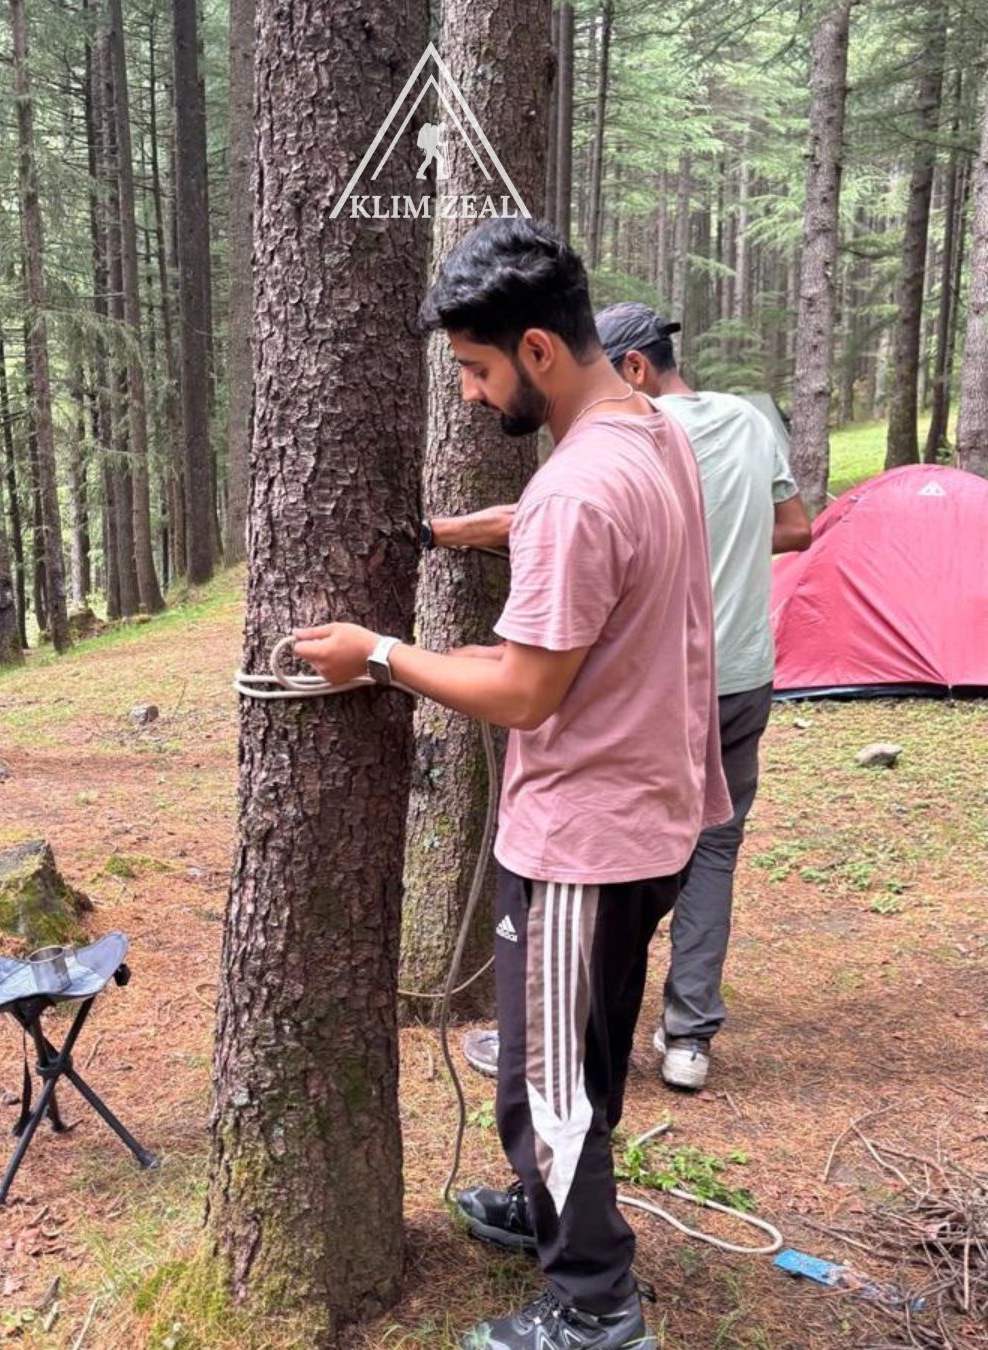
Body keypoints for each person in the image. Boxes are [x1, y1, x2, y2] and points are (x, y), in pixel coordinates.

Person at [294, 219, 730, 1350]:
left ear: (537, 348)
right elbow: (582, 549)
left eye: (478, 370)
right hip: (649, 807)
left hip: (589, 829)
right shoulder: (648, 429)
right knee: (573, 1053)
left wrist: (379, 655)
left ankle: (595, 1304)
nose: (473, 396)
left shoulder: (578, 488)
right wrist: (477, 531)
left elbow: (527, 690)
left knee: (549, 1082)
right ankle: (547, 1205)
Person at [433, 302, 812, 1094]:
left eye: (477, 370)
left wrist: (440, 552)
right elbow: (795, 529)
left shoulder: (629, 442)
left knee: (608, 880)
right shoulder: (739, 425)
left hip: (656, 692)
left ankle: (564, 1032)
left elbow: (569, 526)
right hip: (743, 674)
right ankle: (688, 1035)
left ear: (632, 366)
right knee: (711, 853)